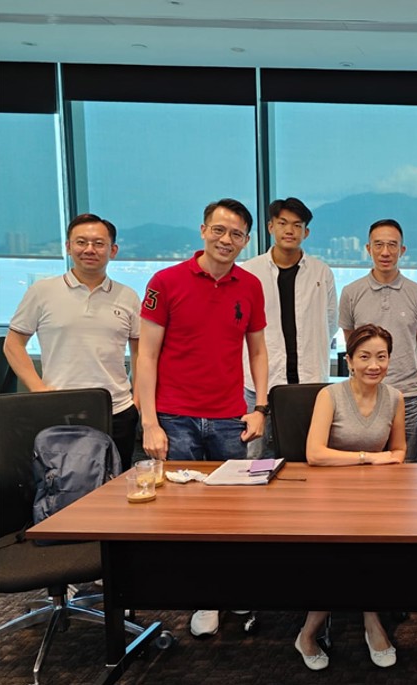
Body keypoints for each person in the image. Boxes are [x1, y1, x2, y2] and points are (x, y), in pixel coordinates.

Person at [135, 198, 269, 639]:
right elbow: (146, 356)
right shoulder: (166, 282)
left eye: (236, 234)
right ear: (203, 230)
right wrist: (150, 422)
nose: (226, 240)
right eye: (219, 230)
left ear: (246, 241)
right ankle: (205, 597)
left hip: (230, 415)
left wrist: (260, 407)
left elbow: (258, 351)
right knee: (187, 514)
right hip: (175, 417)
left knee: (233, 511)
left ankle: (232, 584)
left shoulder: (250, 286)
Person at [296, 324, 407, 671]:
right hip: (327, 493)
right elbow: (315, 453)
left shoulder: (395, 398)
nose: (374, 365)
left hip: (374, 494)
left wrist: (384, 461)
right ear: (349, 360)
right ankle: (309, 632)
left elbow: (399, 451)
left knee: (374, 548)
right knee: (339, 552)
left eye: (381, 357)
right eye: (364, 357)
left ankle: (371, 619)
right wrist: (368, 458)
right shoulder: (330, 396)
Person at [4, 213, 141, 466]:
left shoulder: (128, 296)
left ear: (113, 250)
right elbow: (13, 344)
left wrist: (138, 400)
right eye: (81, 242)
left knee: (117, 481)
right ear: (68, 247)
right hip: (58, 409)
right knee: (61, 481)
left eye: (98, 243)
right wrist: (38, 389)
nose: (89, 249)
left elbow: (140, 351)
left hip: (117, 410)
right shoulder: (42, 292)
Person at [241, 197, 338, 457]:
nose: (289, 230)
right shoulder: (249, 272)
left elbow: (330, 322)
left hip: (310, 381)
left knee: (308, 454)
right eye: (283, 223)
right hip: (260, 383)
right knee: (253, 455)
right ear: (270, 227)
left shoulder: (321, 272)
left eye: (297, 225)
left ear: (306, 232)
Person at [339, 218, 417, 462]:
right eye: (378, 245)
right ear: (368, 248)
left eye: (392, 245)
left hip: (408, 393)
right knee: (362, 462)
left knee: (406, 463)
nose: (385, 252)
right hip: (363, 393)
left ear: (402, 250)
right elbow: (352, 343)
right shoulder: (351, 292)